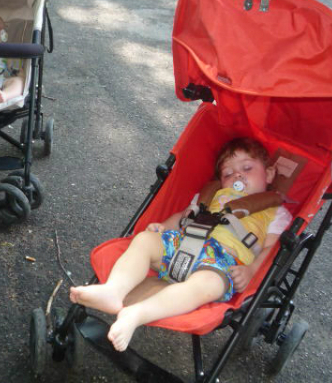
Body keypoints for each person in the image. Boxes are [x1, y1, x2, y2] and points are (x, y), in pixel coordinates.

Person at [69, 137, 292, 352]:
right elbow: (183, 217)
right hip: (184, 243)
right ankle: (114, 291)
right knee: (145, 240)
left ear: (269, 173)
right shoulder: (212, 194)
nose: (238, 176)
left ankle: (137, 314)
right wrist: (163, 227)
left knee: (207, 285)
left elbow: (271, 250)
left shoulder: (276, 212)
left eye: (247, 168)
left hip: (221, 264)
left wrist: (251, 270)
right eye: (228, 173)